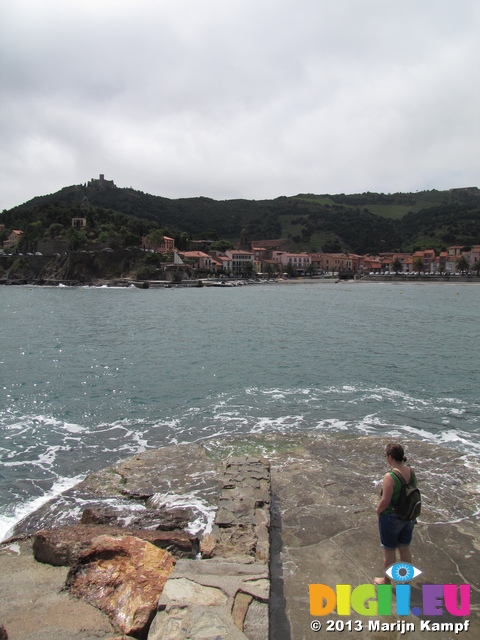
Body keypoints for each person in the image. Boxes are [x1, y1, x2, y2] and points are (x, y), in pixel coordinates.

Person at [374, 443, 416, 585]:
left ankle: (386, 580)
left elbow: (386, 500)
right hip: (408, 516)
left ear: (390, 457)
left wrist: (378, 511)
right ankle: (406, 579)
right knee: (404, 548)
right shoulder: (410, 471)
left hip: (392, 517)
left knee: (389, 551)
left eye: (386, 456)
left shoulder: (390, 476)